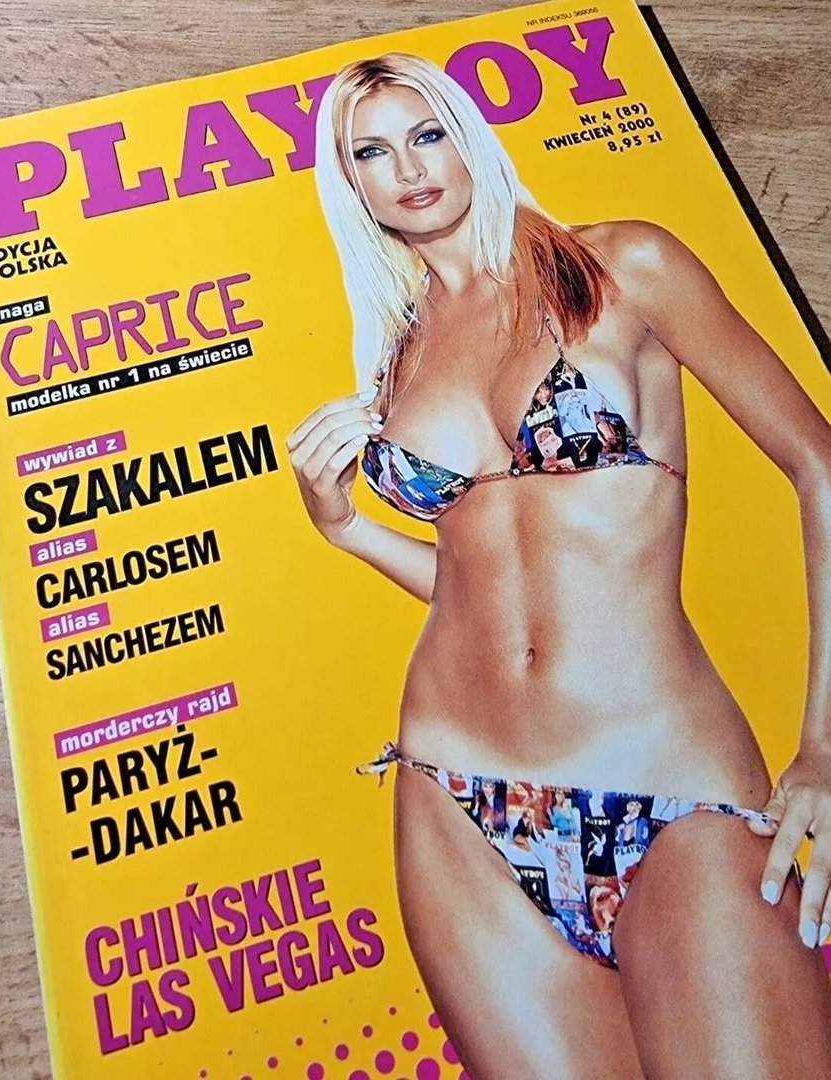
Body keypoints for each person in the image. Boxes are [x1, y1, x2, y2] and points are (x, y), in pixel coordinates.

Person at [286, 51, 831, 1078]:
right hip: (459, 799)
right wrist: (344, 526)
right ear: (347, 182)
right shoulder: (396, 360)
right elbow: (482, 583)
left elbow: (820, 466)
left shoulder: (624, 266)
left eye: (426, 134)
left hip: (670, 785)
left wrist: (825, 744)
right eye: (371, 152)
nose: (409, 168)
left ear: (468, 137)